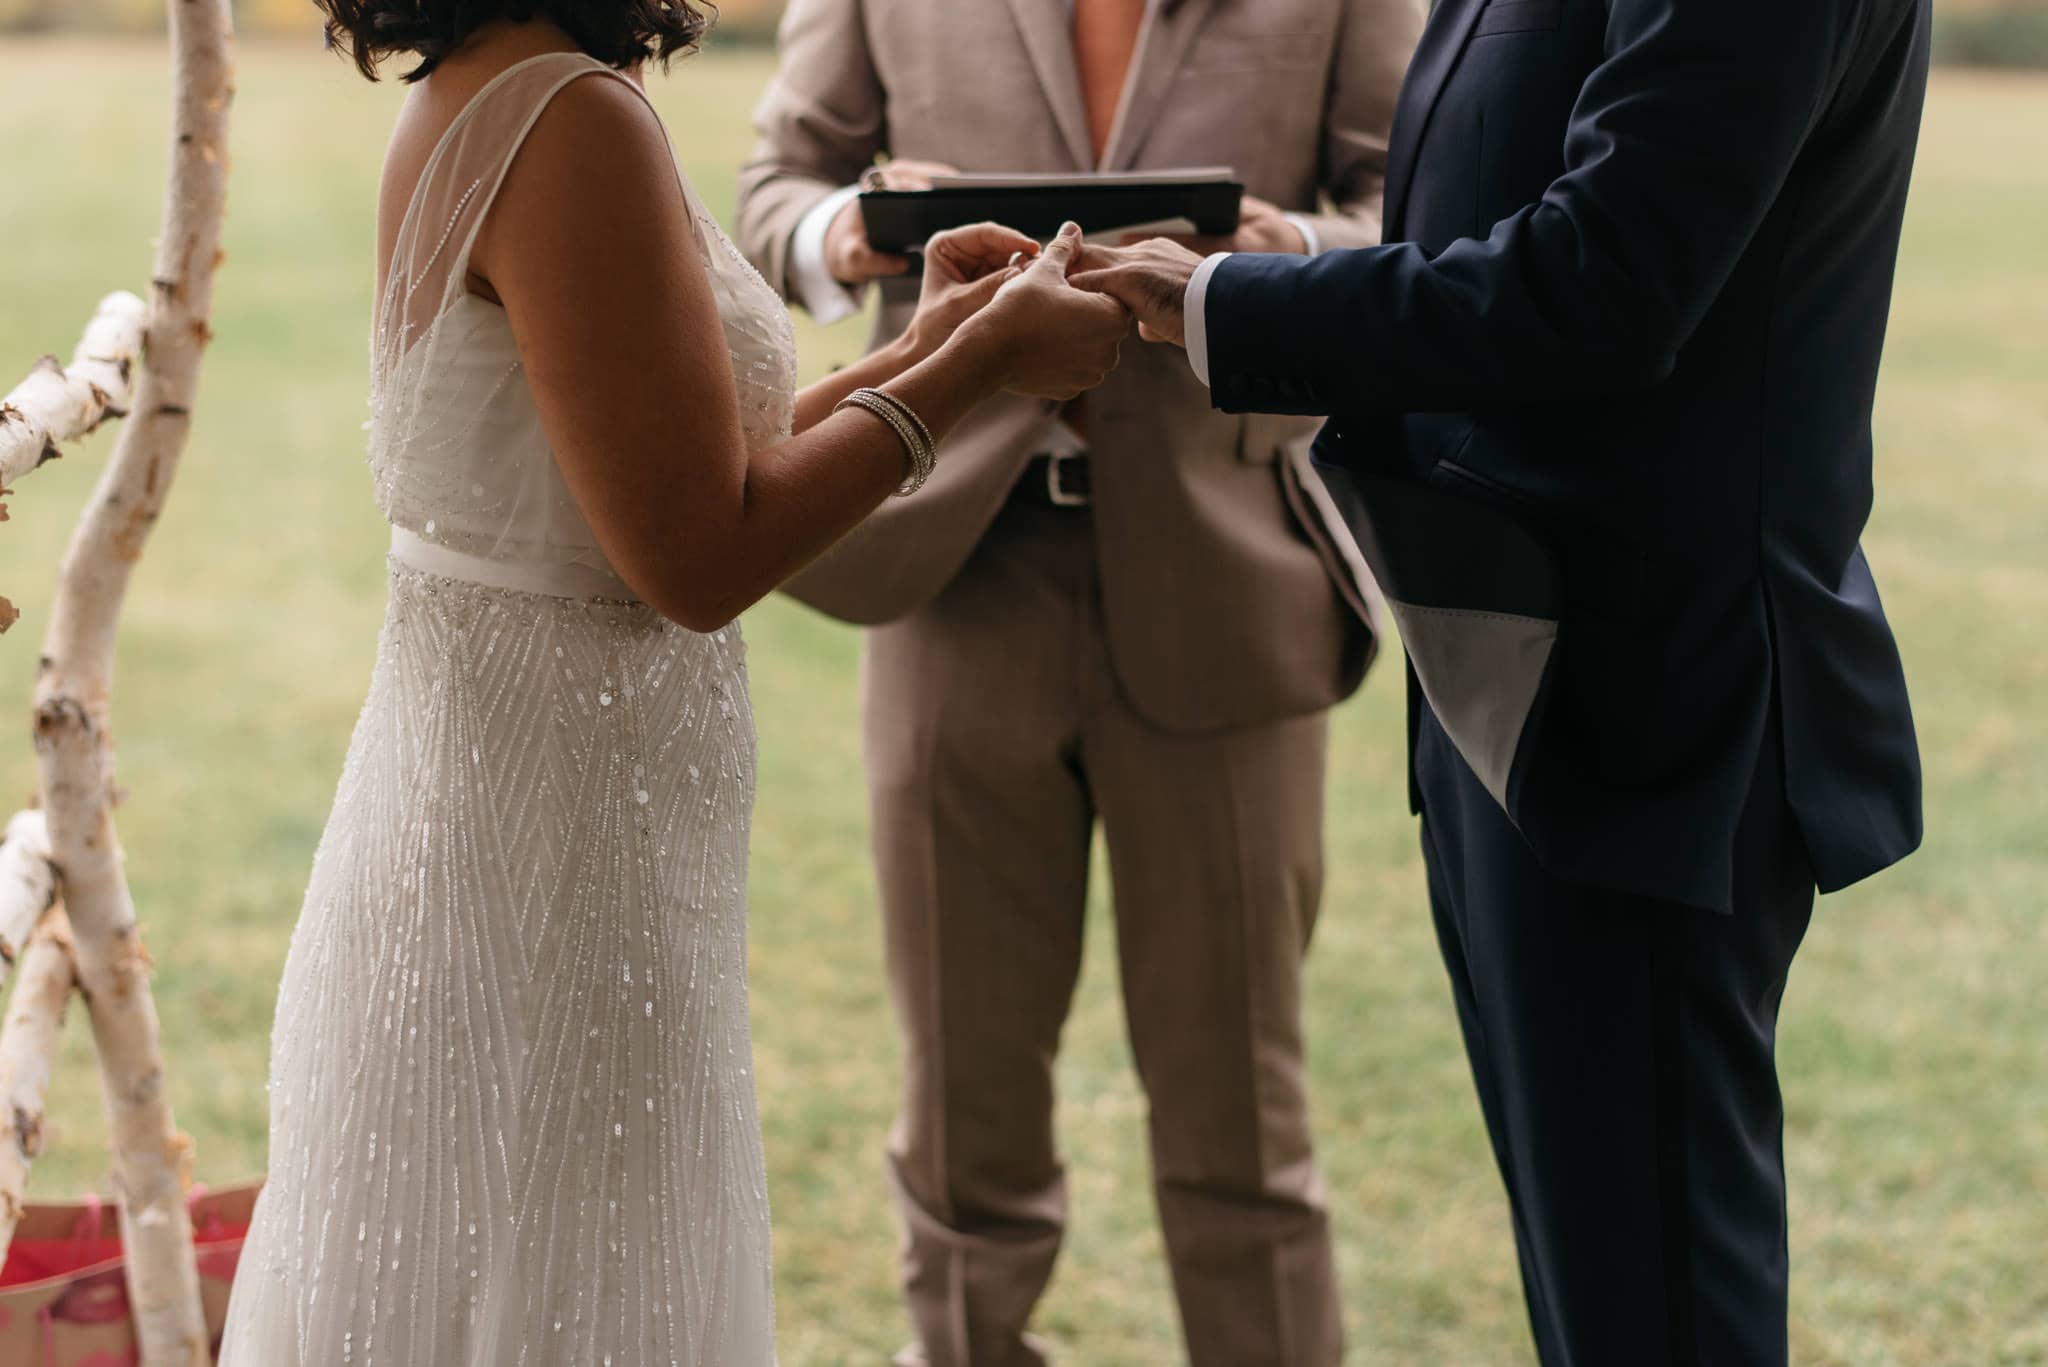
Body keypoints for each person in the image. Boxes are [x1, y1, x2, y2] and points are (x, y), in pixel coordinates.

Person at [216, 4, 1129, 1362]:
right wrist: (987, 366)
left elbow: (682, 463)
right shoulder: (570, 119)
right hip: (553, 840)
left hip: (514, 800)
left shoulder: (497, 85)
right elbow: (699, 555)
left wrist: (935, 339)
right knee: (563, 1273)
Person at [1072, 0, 1931, 1361]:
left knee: (1657, 1307)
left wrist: (1219, 306)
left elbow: (1610, 275)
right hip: (1514, 683)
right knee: (1595, 1290)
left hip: (1654, 698)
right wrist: (1292, 256)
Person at [737, 1, 1421, 1363]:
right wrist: (858, 233)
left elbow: (1417, 203)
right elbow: (775, 195)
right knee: (960, 1122)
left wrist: (1283, 257)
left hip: (1227, 587)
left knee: (1243, 1124)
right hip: (951, 587)